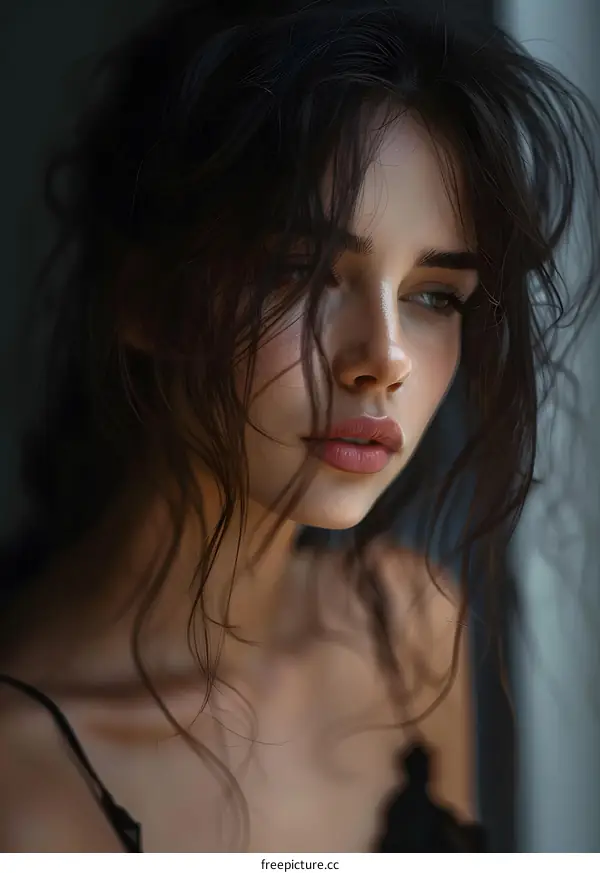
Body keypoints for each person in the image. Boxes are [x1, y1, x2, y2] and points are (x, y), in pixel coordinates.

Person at [0, 0, 597, 852]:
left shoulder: (409, 633)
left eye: (435, 295)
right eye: (304, 271)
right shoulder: (21, 778)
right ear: (147, 299)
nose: (383, 358)